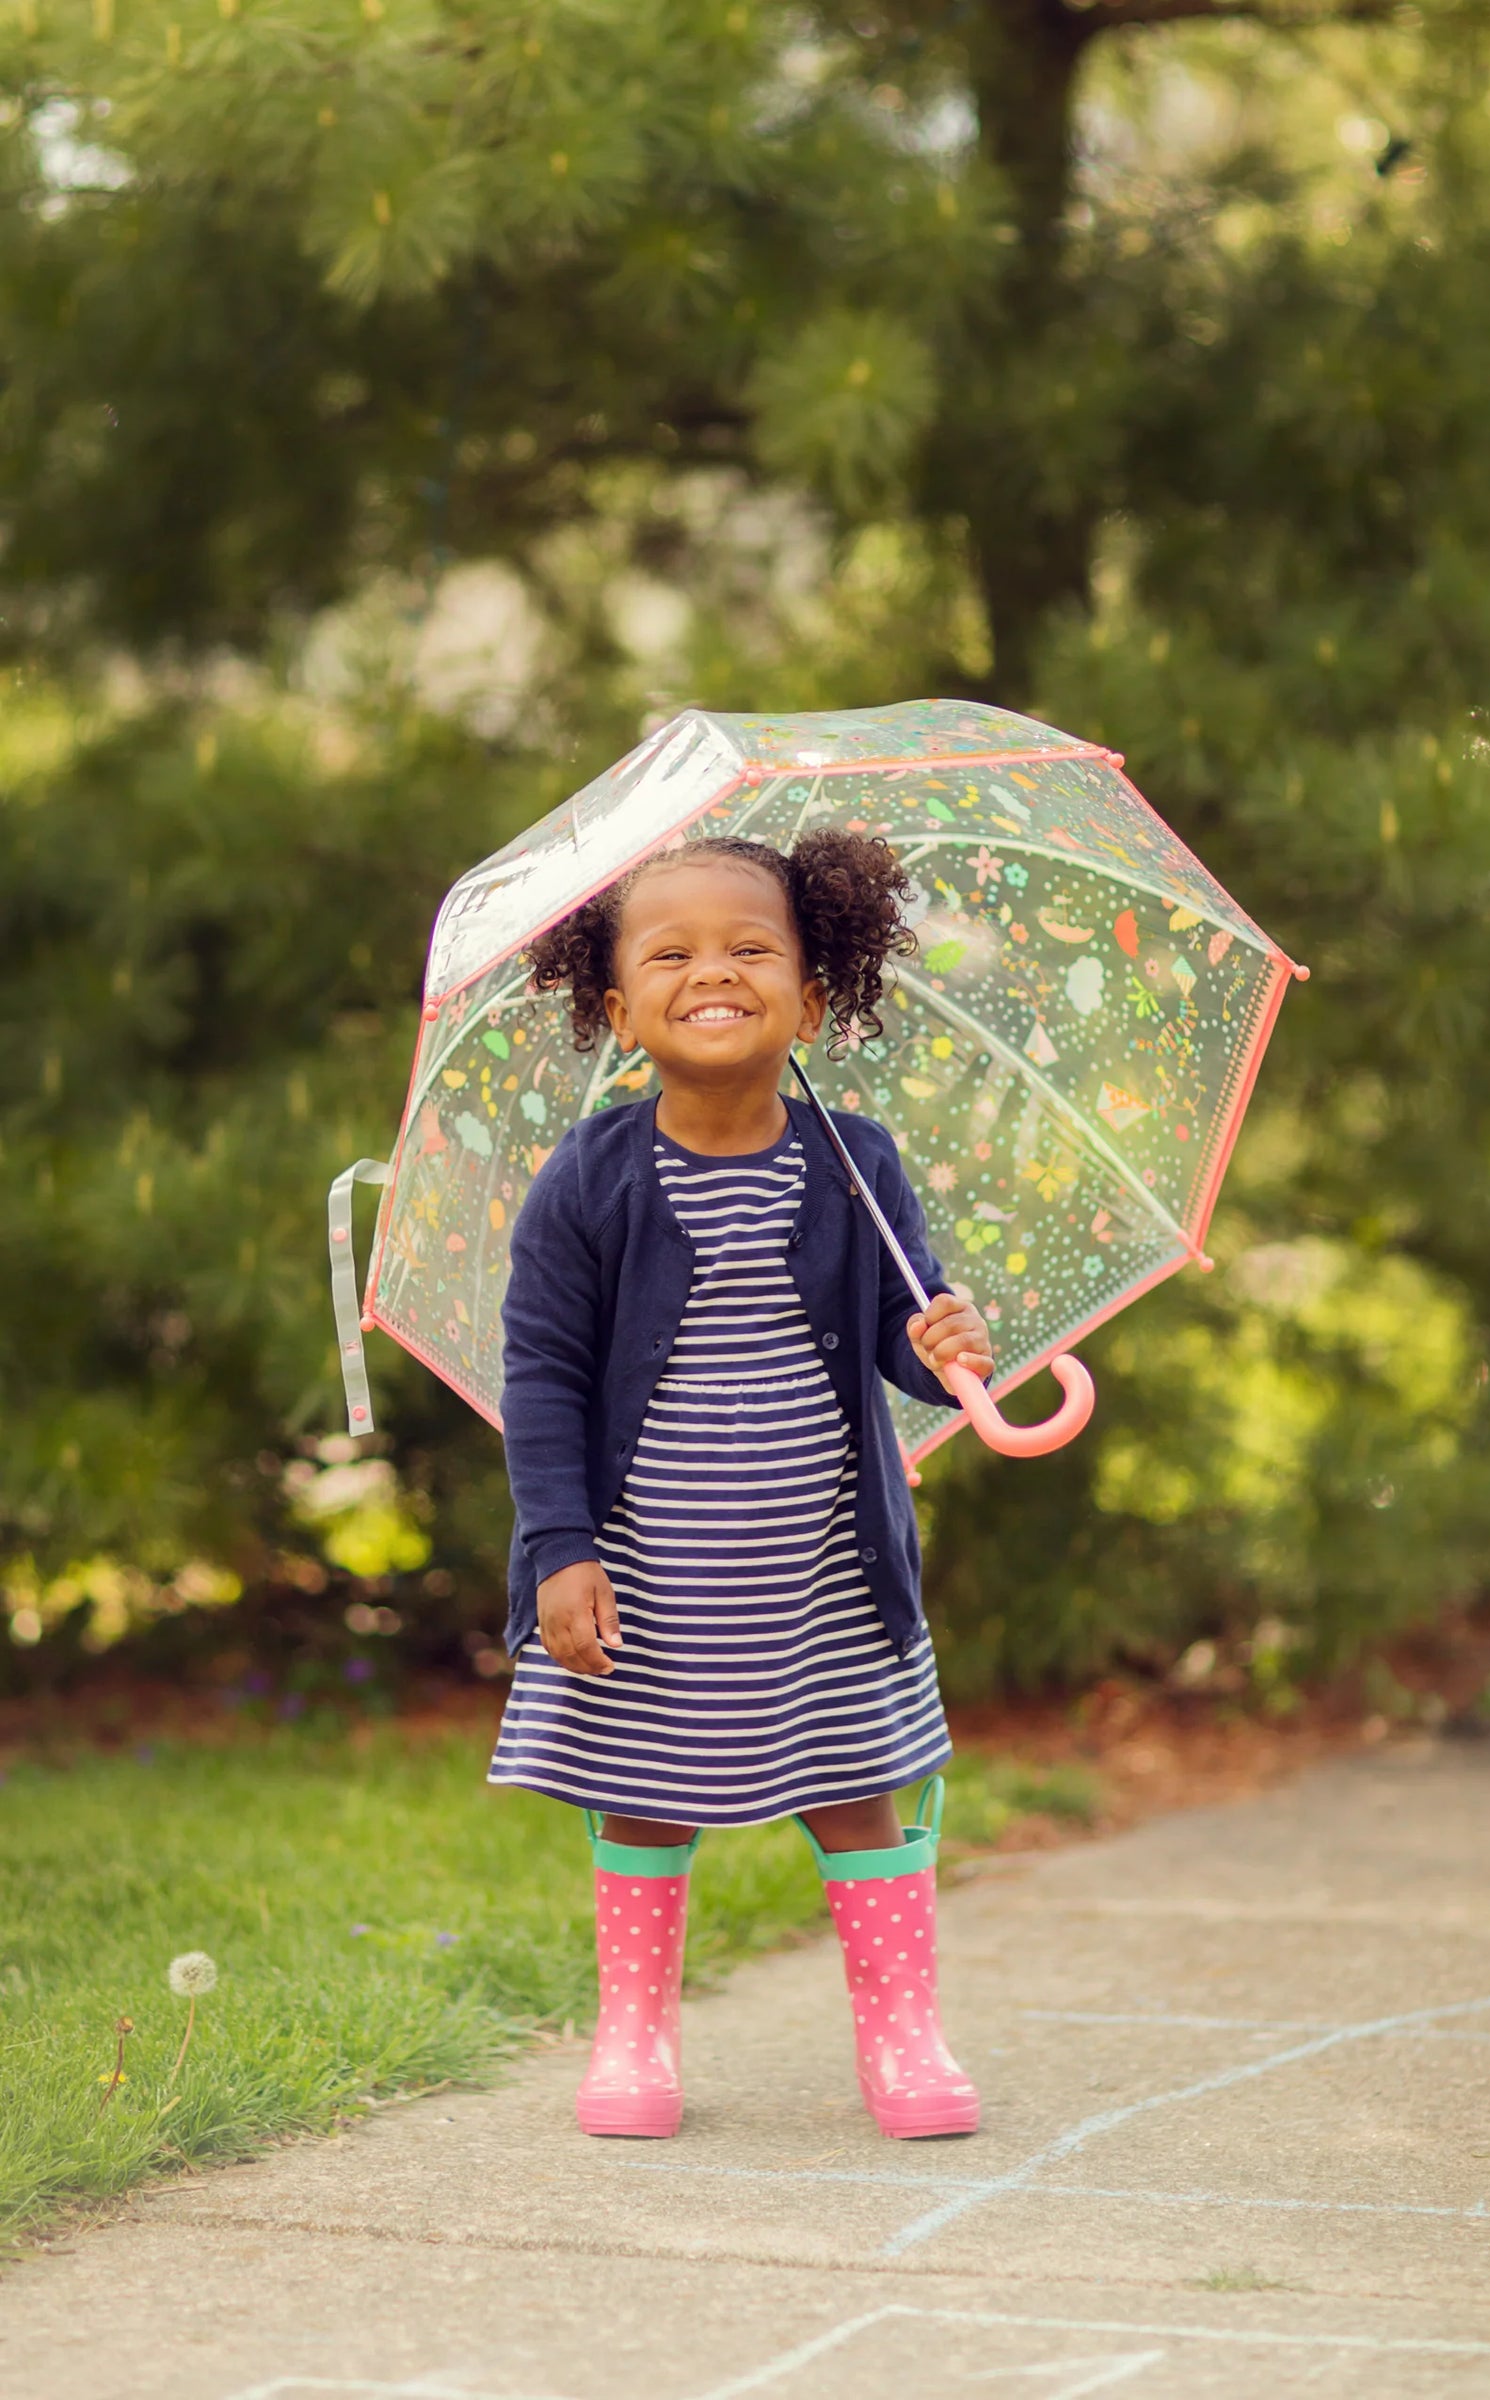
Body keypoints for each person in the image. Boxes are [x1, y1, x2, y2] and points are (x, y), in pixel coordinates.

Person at [488, 829, 994, 2141]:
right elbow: (540, 1376)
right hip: (649, 1558)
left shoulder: (856, 1160)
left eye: (750, 947)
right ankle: (633, 2037)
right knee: (645, 1783)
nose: (712, 970)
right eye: (671, 953)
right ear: (616, 1009)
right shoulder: (589, 1178)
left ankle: (903, 2037)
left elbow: (898, 1326)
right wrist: (560, 1550)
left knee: (856, 1774)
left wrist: (941, 1347)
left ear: (815, 995)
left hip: (822, 1560)